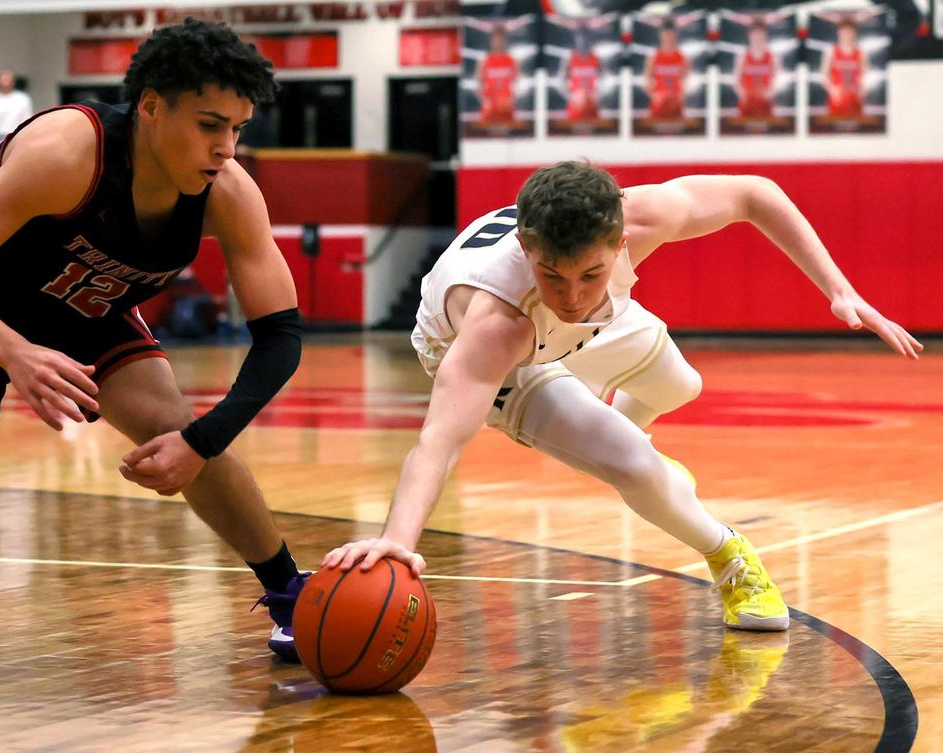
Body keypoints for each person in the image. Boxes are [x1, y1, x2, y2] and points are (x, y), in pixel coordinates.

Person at [0, 19, 310, 662]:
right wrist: (14, 352)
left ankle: (288, 592)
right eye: (209, 125)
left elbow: (281, 336)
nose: (226, 147)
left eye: (237, 129)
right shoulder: (69, 154)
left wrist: (201, 442)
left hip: (86, 305)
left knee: (170, 423)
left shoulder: (228, 193)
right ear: (150, 107)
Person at [322, 162, 923, 633]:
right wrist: (397, 545)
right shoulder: (495, 323)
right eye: (552, 274)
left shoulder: (640, 218)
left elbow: (755, 193)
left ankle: (630, 436)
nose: (573, 294)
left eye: (591, 274)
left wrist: (839, 292)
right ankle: (730, 556)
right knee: (635, 465)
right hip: (516, 361)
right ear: (529, 251)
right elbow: (438, 444)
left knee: (683, 384)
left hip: (580, 331)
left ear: (620, 242)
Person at [823, 19, 867, 118]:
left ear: (854, 34)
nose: (847, 35)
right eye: (844, 32)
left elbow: (866, 75)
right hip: (837, 98)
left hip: (855, 97)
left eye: (849, 32)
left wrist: (863, 90)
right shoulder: (831, 52)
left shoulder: (861, 53)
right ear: (839, 33)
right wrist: (832, 90)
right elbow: (824, 75)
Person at [477, 27, 519, 125]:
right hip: (489, 110)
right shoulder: (484, 61)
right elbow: (478, 85)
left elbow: (518, 85)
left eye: (500, 39)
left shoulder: (512, 61)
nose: (498, 42)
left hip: (507, 109)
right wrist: (486, 101)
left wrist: (511, 100)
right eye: (496, 39)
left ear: (504, 40)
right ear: (491, 41)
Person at [646, 20, 687, 119]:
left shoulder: (683, 58)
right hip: (658, 107)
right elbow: (646, 81)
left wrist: (679, 97)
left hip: (676, 107)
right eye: (665, 33)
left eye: (670, 33)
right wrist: (656, 96)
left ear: (675, 35)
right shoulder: (653, 58)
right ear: (660, 35)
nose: (668, 37)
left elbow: (687, 82)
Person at [737, 21, 777, 118]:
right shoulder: (743, 56)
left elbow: (778, 78)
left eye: (760, 36)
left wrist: (771, 92)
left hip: (765, 102)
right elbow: (736, 78)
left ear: (765, 37)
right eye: (755, 36)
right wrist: (742, 94)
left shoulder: (772, 56)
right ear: (749, 37)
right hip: (747, 103)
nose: (757, 39)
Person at [0, 68, 33, 143]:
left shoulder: (23, 99)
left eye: (8, 78)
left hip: (16, 141)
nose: (6, 81)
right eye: (3, 78)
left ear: (13, 81)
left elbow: (27, 121)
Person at [565, 34, 601, 121]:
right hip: (575, 105)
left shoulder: (595, 58)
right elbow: (562, 80)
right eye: (580, 41)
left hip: (591, 103)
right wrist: (571, 96)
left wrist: (596, 95)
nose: (583, 44)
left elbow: (604, 78)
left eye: (585, 41)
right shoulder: (570, 58)